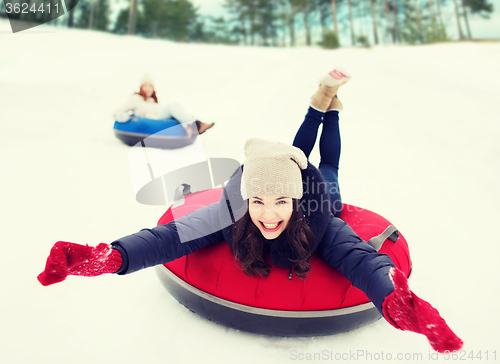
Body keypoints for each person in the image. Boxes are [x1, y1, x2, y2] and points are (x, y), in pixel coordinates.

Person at [39, 70, 463, 353]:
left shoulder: (320, 220)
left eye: (280, 203)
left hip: (320, 189)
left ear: (295, 203)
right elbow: (170, 237)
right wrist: (108, 257)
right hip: (278, 169)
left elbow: (362, 261)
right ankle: (321, 99)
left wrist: (397, 300)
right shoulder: (231, 209)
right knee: (291, 155)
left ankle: (326, 107)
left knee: (327, 164)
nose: (269, 215)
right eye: (258, 202)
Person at [114, 74, 215, 135]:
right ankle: (196, 125)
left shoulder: (153, 101)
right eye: (145, 86)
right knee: (171, 106)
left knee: (176, 105)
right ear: (140, 87)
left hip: (162, 120)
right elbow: (117, 111)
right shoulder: (136, 99)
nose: (148, 88)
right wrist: (121, 116)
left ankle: (190, 124)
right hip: (153, 123)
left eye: (150, 86)